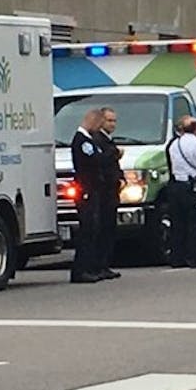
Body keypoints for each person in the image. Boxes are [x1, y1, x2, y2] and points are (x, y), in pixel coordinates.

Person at [70, 109, 115, 284]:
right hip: (86, 190)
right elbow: (95, 160)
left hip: (94, 189)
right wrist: (112, 154)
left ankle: (91, 267)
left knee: (94, 229)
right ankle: (81, 270)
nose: (99, 128)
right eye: (98, 123)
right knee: (87, 230)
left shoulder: (88, 140)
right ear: (91, 120)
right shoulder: (82, 141)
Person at [166, 116, 196, 269]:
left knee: (178, 223)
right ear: (195, 128)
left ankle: (177, 258)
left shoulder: (173, 144)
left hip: (176, 187)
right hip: (193, 188)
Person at [93, 107, 124, 279]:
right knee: (103, 229)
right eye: (109, 120)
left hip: (112, 191)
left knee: (109, 229)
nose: (112, 124)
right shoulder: (98, 140)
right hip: (103, 192)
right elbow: (102, 162)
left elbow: (114, 167)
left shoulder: (108, 140)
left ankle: (104, 264)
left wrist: (121, 178)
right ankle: (99, 264)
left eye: (114, 121)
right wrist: (115, 153)